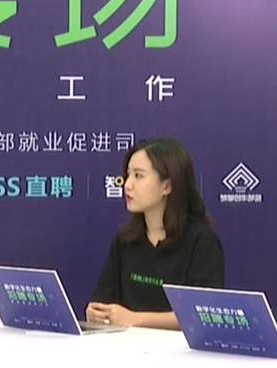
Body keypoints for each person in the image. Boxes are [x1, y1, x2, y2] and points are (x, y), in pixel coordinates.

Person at [86, 137, 226, 329]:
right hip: (126, 345)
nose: (127, 185)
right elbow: (104, 299)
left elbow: (204, 314)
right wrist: (96, 312)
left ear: (167, 186)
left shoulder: (201, 241)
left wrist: (135, 319)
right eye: (128, 175)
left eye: (138, 176)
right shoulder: (125, 240)